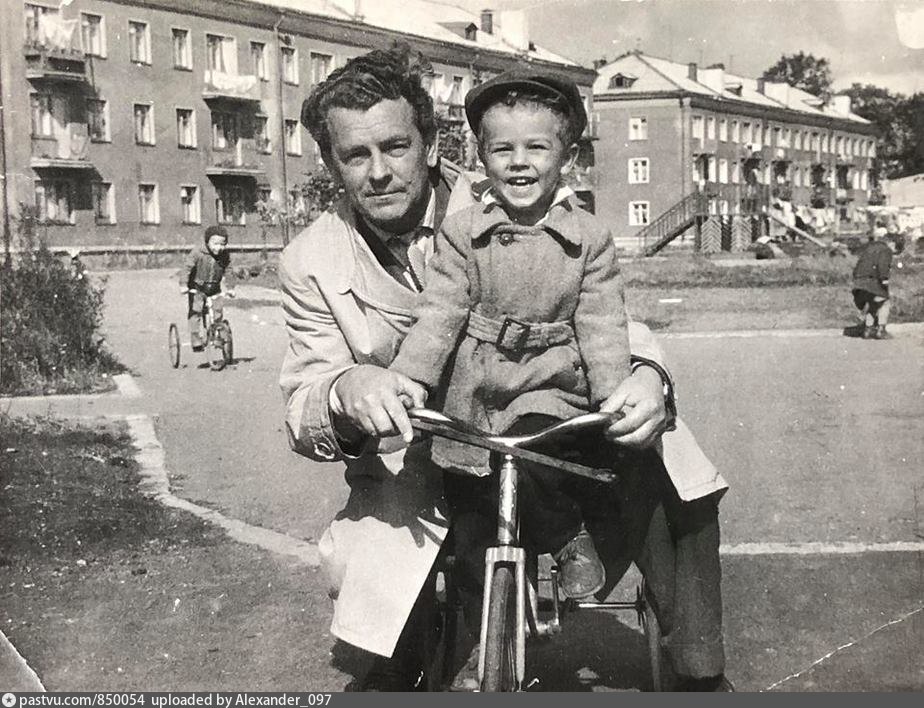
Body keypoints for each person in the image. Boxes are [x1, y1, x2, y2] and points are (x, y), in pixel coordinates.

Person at [280, 44, 731, 691]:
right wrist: (346, 390)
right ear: (330, 163)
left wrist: (647, 378)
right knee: (388, 656)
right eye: (355, 155)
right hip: (422, 458)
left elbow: (602, 311)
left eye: (396, 147)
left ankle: (698, 670)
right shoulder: (311, 260)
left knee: (672, 455)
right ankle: (425, 653)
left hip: (542, 418)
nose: (379, 172)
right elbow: (303, 401)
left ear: (431, 146)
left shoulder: (512, 185)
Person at [388, 70, 632, 601]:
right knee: (471, 510)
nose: (519, 161)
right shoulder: (463, 232)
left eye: (536, 148)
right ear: (483, 158)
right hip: (474, 386)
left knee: (538, 458)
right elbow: (439, 312)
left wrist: (614, 393)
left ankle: (568, 537)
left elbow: (602, 323)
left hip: (550, 380)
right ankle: (491, 619)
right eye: (502, 149)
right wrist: (410, 379)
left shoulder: (588, 237)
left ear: (567, 158)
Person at [180, 224, 235, 350]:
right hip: (197, 288)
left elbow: (229, 271)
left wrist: (231, 288)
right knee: (196, 312)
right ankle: (195, 339)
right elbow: (187, 268)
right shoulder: (197, 252)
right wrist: (183, 285)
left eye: (222, 244)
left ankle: (218, 336)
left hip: (214, 288)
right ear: (207, 242)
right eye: (215, 244)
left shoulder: (225, 255)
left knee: (218, 312)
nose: (219, 248)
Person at [851, 221, 894, 340]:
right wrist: (884, 280)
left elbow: (858, 266)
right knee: (885, 302)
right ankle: (881, 330)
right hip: (871, 281)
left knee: (872, 303)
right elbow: (882, 266)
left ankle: (868, 329)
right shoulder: (885, 249)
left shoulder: (867, 249)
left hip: (858, 282)